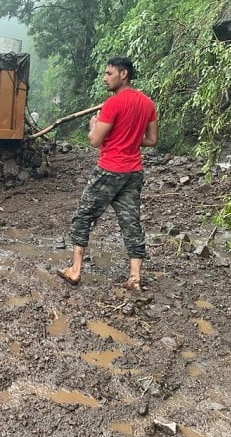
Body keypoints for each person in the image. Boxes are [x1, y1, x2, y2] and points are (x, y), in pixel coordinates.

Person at [57, 57, 158, 291]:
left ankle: (75, 270)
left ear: (123, 74)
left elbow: (94, 140)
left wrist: (93, 124)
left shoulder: (113, 104)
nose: (104, 78)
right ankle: (134, 277)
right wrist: (130, 139)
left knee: (84, 217)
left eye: (109, 73)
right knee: (131, 223)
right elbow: (152, 140)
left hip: (110, 170)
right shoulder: (147, 103)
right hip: (133, 172)